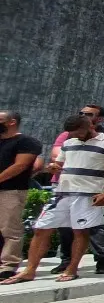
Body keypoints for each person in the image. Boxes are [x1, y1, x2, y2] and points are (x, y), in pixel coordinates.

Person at [3, 114, 104, 285]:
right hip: (62, 193)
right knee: (41, 228)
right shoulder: (68, 143)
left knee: (80, 231)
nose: (76, 136)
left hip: (88, 194)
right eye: (72, 133)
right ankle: (29, 271)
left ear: (89, 125)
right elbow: (59, 165)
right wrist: (53, 168)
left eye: (78, 132)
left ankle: (72, 269)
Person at [49, 103, 104, 275]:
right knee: (65, 228)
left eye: (88, 114)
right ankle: (66, 261)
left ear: (98, 118)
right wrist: (53, 166)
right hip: (65, 188)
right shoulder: (70, 134)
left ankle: (101, 259)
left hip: (91, 189)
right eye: (81, 113)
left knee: (93, 228)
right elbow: (57, 155)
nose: (84, 116)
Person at [0, 110, 42, 280]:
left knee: (10, 229)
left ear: (12, 122)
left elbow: (20, 166)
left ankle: (8, 265)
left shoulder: (26, 142)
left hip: (11, 190)